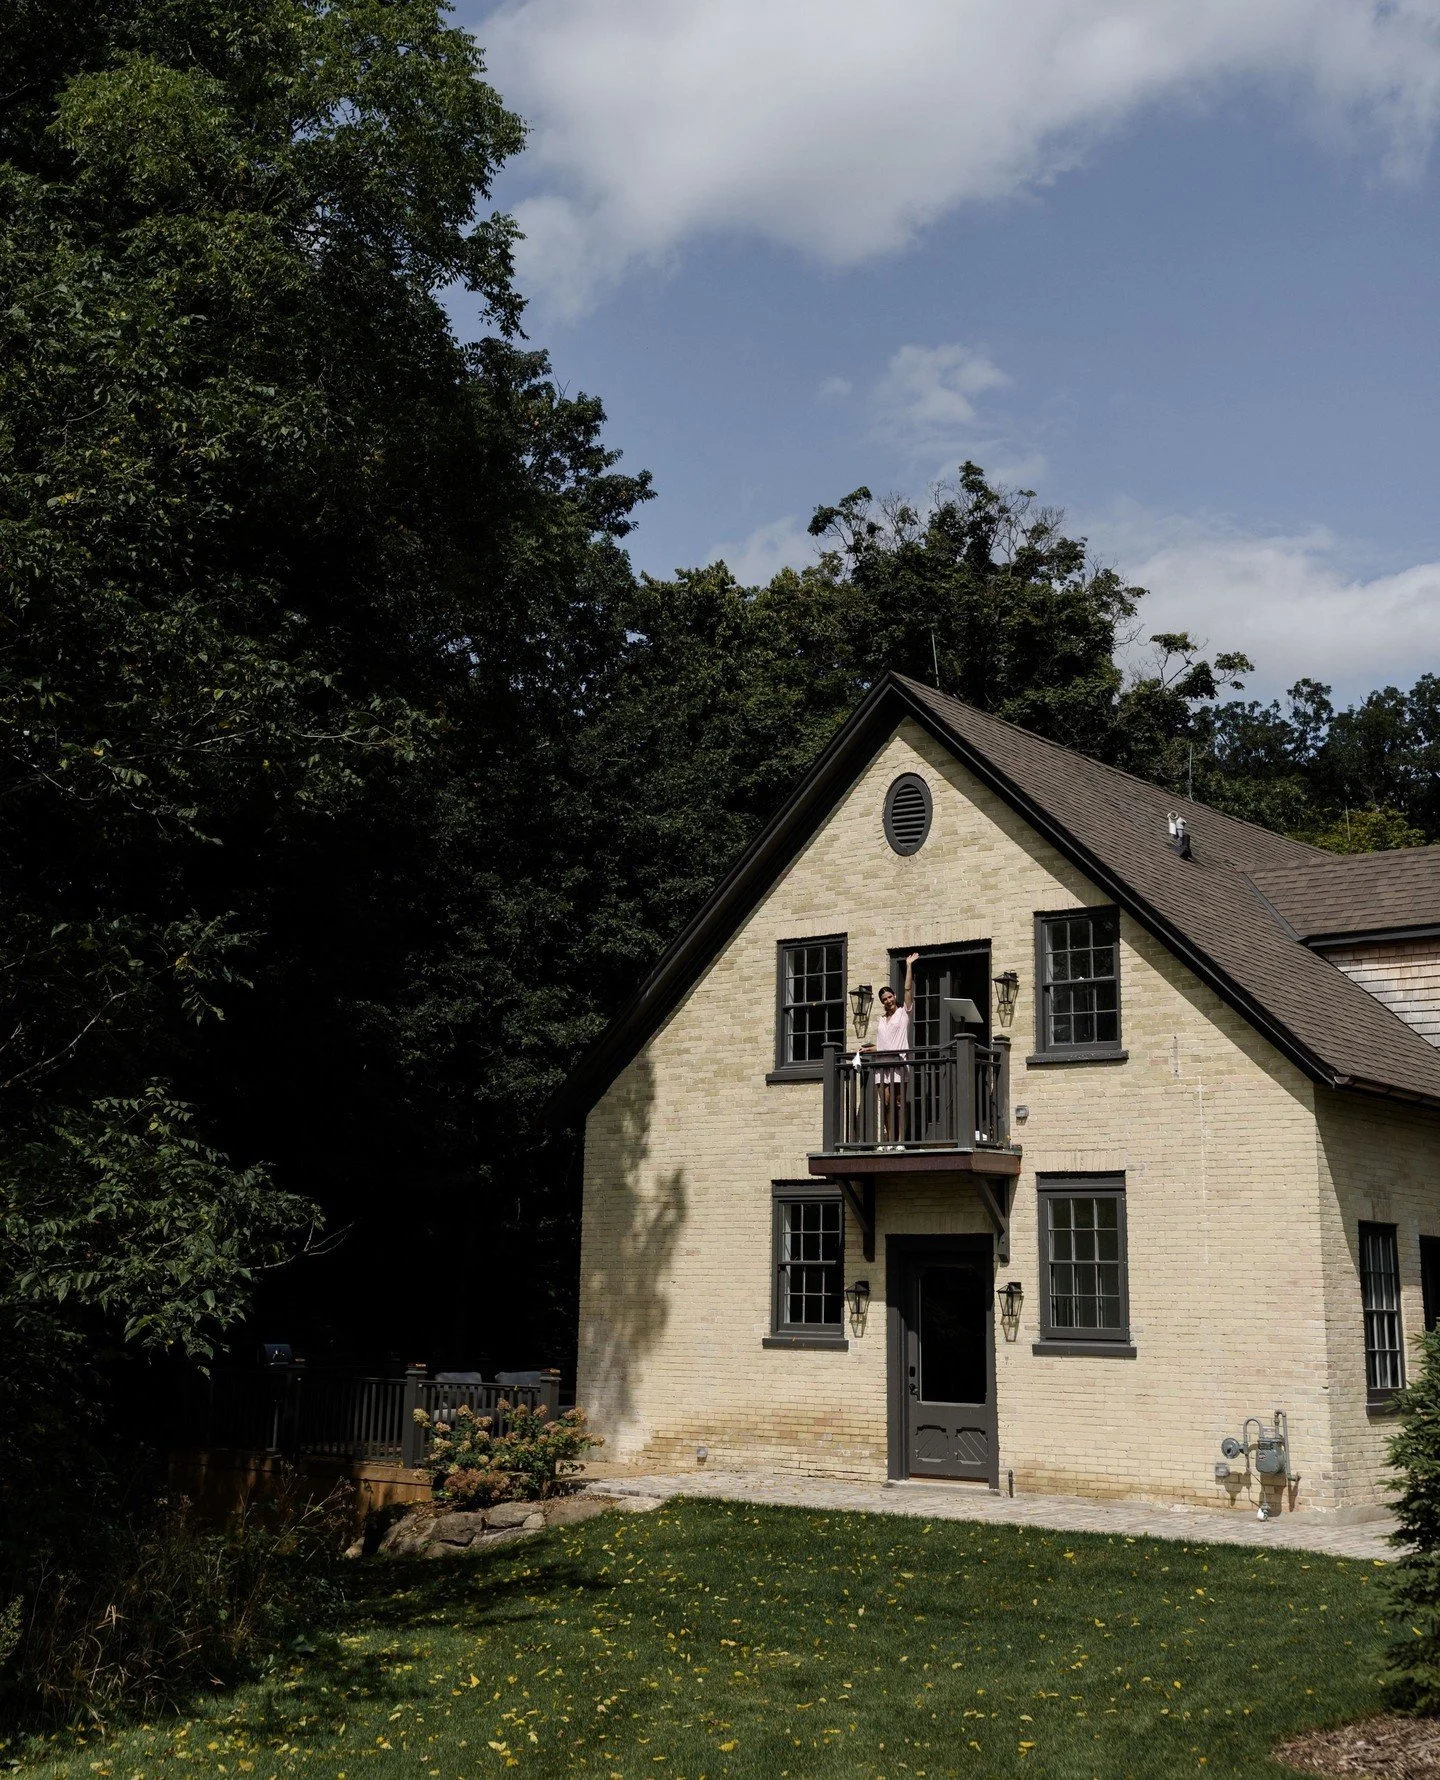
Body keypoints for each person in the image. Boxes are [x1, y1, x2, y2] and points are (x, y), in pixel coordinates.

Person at [875, 953, 919, 1146]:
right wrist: (866, 1049)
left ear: (895, 997)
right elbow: (882, 1043)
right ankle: (889, 1141)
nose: (888, 1001)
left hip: (899, 1065)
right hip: (881, 1067)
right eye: (884, 999)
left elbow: (908, 988)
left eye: (890, 996)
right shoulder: (881, 1020)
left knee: (899, 1103)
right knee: (886, 1105)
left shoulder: (903, 1013)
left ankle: (900, 1140)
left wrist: (908, 966)